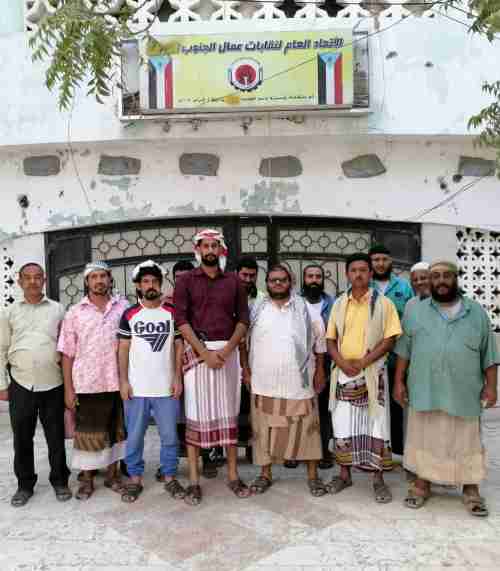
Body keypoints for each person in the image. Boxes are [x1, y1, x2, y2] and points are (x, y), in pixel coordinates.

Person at [394, 260, 499, 516]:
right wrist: (398, 381)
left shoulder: (476, 312)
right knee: (424, 436)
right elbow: (404, 351)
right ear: (430, 281)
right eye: (436, 276)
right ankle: (422, 485)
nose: (441, 281)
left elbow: (489, 353)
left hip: (464, 390)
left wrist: (492, 386)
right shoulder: (416, 312)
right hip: (425, 388)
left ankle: (471, 488)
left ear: (455, 278)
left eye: (446, 276)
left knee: (466, 440)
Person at [174, 229, 251, 505]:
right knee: (196, 416)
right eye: (205, 246)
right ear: (198, 250)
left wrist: (227, 350)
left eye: (214, 245)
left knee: (228, 414)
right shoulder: (185, 281)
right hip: (198, 354)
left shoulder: (234, 281)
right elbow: (181, 321)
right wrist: (204, 353)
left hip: (227, 353)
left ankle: (232, 475)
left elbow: (243, 319)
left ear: (221, 250)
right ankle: (194, 481)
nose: (209, 250)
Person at [241, 264, 328, 496]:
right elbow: (243, 342)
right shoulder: (256, 309)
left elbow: (320, 342)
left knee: (308, 431)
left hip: (299, 382)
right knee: (263, 431)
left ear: (291, 282)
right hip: (264, 382)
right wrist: (246, 369)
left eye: (283, 280)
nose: (278, 284)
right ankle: (265, 474)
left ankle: (313, 476)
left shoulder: (305, 309)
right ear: (267, 283)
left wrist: (320, 370)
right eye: (273, 280)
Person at [326, 253, 401, 503]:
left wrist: (362, 362)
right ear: (347, 274)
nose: (358, 274)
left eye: (363, 270)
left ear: (370, 273)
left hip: (372, 374)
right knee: (343, 425)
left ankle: (378, 479)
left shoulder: (384, 304)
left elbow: (389, 339)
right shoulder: (339, 304)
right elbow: (330, 340)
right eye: (353, 270)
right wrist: (342, 363)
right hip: (343, 374)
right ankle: (344, 475)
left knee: (377, 426)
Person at [0, 263, 71, 507]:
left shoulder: (58, 309)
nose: (32, 282)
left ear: (44, 281)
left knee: (55, 436)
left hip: (53, 382)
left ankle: (60, 480)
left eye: (37, 277)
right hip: (21, 384)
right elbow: (1, 349)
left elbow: (66, 346)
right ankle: (24, 485)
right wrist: (2, 385)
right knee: (22, 437)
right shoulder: (9, 312)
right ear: (20, 281)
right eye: (27, 278)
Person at [58, 261, 129, 500]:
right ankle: (87, 480)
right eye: (94, 277)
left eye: (103, 276)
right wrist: (68, 389)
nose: (99, 281)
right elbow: (67, 353)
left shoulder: (122, 308)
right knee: (87, 434)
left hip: (116, 381)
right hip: (87, 384)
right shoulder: (75, 312)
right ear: (87, 282)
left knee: (115, 431)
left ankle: (112, 476)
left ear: (109, 279)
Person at [118, 260, 186, 503]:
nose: (150, 285)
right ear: (138, 285)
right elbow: (123, 349)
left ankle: (169, 476)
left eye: (155, 281)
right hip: (137, 388)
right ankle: (135, 478)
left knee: (170, 437)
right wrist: (123, 381)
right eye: (145, 281)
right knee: (135, 437)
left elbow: (178, 346)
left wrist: (177, 378)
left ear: (161, 284)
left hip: (166, 388)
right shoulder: (129, 314)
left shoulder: (172, 313)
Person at [369, 244, 413, 458]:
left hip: (397, 354)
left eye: (384, 259)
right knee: (371, 402)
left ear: (390, 262)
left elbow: (411, 317)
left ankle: (397, 450)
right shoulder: (362, 285)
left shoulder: (404, 287)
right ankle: (373, 447)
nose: (380, 263)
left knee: (396, 401)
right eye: (376, 259)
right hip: (369, 356)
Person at [295, 264, 335, 471]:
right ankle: (295, 451)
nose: (314, 280)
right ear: (304, 279)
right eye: (310, 276)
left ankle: (324, 451)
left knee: (324, 410)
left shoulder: (333, 304)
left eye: (318, 276)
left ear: (323, 280)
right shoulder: (295, 303)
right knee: (298, 408)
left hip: (325, 362)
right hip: (297, 364)